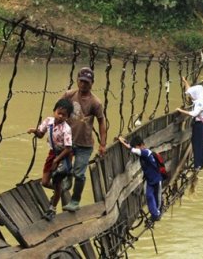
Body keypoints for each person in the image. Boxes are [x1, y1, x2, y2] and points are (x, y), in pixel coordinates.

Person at [61, 67, 107, 212]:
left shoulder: (95, 103)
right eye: (81, 81)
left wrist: (102, 144)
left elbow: (101, 122)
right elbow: (58, 110)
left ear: (92, 83)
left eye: (87, 82)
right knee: (64, 168)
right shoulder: (69, 95)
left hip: (85, 144)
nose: (83, 85)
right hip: (68, 140)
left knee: (79, 174)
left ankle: (75, 201)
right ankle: (67, 177)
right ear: (77, 80)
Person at [27, 98, 74, 221]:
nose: (60, 116)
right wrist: (34, 131)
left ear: (68, 117)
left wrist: (56, 161)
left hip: (63, 155)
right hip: (52, 153)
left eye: (64, 115)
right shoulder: (48, 121)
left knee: (57, 180)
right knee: (45, 182)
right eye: (59, 113)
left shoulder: (66, 129)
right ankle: (60, 190)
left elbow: (68, 149)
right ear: (54, 111)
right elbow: (41, 134)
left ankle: (52, 209)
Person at [118, 135, 162, 222]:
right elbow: (132, 147)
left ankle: (157, 213)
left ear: (142, 145)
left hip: (157, 179)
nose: (137, 149)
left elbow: (133, 150)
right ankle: (155, 213)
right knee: (149, 196)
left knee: (157, 198)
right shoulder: (141, 153)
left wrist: (123, 142)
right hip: (150, 180)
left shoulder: (146, 152)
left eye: (137, 147)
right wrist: (123, 140)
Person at [177, 80, 203, 170]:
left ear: (195, 94)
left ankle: (197, 165)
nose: (190, 97)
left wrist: (181, 111)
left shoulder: (199, 103)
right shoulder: (201, 97)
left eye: (191, 95)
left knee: (197, 144)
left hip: (199, 125)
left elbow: (193, 114)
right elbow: (189, 90)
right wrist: (184, 81)